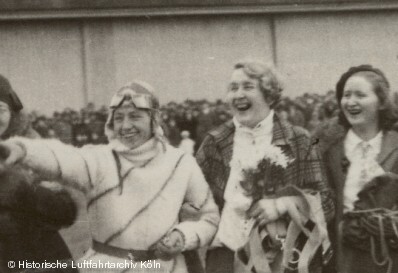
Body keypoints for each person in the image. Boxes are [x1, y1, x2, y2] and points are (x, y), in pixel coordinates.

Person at [0, 80, 219, 273]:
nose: (126, 126)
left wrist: (183, 236)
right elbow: (63, 157)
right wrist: (22, 149)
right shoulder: (99, 159)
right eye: (119, 117)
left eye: (135, 117)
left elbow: (209, 219)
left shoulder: (182, 162)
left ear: (155, 118)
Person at [196, 61, 334, 273]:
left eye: (248, 87)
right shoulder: (215, 141)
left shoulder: (298, 140)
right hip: (225, 257)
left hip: (283, 258)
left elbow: (325, 203)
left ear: (269, 95)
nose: (238, 94)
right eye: (233, 88)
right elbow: (192, 200)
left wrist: (282, 205)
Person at [315, 65, 398, 273]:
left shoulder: (395, 145)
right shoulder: (328, 150)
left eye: (360, 95)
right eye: (346, 95)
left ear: (381, 102)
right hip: (343, 257)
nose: (350, 102)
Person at [0, 74, 77, 272]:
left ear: (13, 113)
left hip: (39, 256)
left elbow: (66, 212)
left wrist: (20, 187)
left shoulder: (33, 148)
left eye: (0, 110)